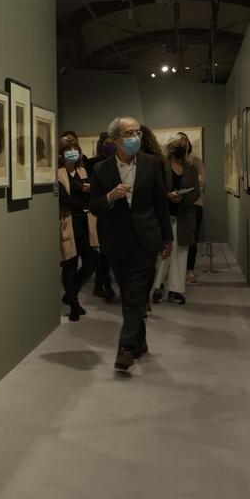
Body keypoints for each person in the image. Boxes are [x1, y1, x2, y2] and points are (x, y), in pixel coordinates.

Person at [88, 116, 173, 374]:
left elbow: (160, 203)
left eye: (137, 132)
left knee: (136, 292)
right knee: (129, 294)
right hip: (116, 240)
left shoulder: (151, 164)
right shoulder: (101, 170)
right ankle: (140, 341)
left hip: (147, 238)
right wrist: (110, 197)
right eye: (129, 133)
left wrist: (167, 238)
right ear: (116, 140)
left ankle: (125, 348)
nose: (135, 137)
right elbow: (93, 206)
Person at [152, 137, 201, 305]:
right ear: (171, 148)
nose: (181, 149)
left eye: (184, 146)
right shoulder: (160, 167)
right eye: (178, 146)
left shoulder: (191, 169)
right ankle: (157, 287)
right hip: (164, 216)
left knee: (181, 255)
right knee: (163, 254)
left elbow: (196, 192)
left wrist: (183, 198)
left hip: (184, 216)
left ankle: (176, 290)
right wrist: (168, 196)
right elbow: (154, 190)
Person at [57, 135, 99, 321]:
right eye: (68, 150)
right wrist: (83, 196)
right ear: (61, 154)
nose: (72, 152)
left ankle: (70, 294)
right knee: (70, 266)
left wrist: (86, 197)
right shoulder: (58, 174)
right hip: (69, 222)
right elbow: (64, 199)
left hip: (85, 222)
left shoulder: (83, 171)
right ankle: (74, 305)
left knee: (90, 263)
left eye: (75, 149)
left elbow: (93, 195)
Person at [86, 132, 116, 300]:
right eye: (106, 143)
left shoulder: (115, 164)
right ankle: (101, 284)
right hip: (99, 210)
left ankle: (104, 282)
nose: (109, 146)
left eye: (112, 143)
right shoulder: (94, 164)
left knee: (108, 252)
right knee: (101, 252)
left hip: (113, 210)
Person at [179, 131, 207, 284]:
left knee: (192, 239)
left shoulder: (195, 161)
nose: (182, 146)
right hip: (177, 205)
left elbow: (200, 181)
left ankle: (189, 269)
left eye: (185, 143)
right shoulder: (171, 163)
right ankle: (178, 270)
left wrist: (185, 192)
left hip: (194, 204)